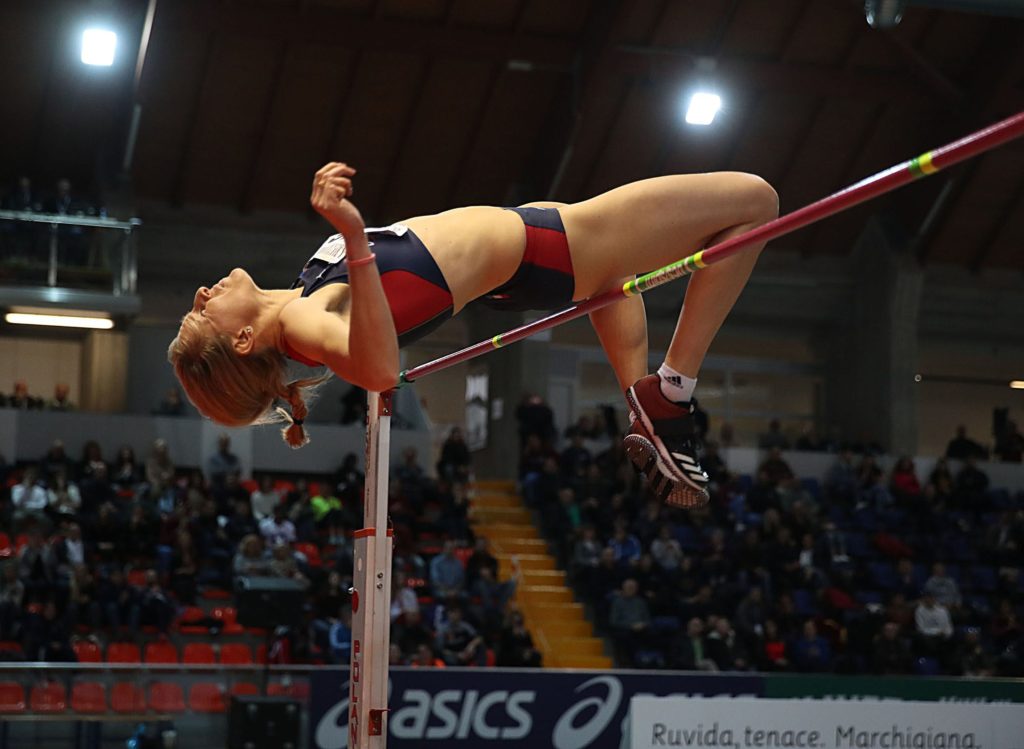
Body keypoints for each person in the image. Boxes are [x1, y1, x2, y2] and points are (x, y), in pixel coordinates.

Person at [169, 162, 778, 508]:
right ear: (243, 342)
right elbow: (379, 371)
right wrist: (354, 236)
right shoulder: (304, 322)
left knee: (618, 280)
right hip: (551, 247)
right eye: (201, 315)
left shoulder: (300, 297)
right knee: (754, 201)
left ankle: (644, 405)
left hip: (534, 253)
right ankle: (671, 394)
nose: (202, 295)